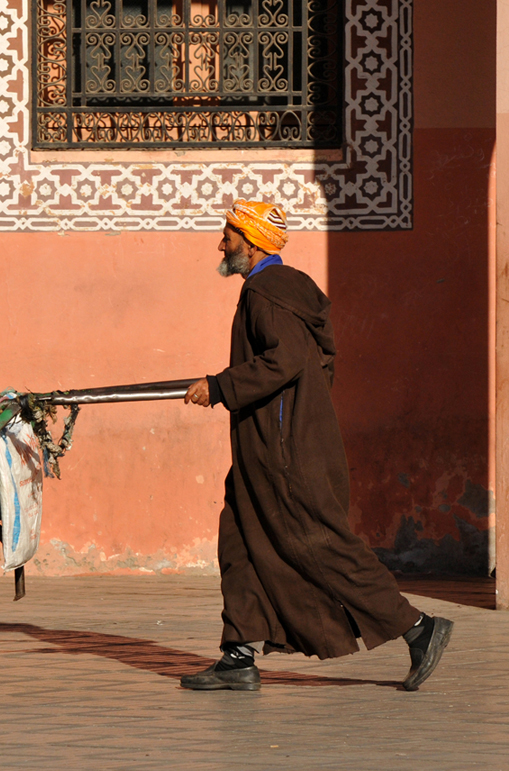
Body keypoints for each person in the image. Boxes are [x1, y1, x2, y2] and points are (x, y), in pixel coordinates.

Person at [180, 200, 453, 692]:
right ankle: (238, 656)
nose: (221, 243)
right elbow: (319, 363)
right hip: (268, 446)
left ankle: (417, 628)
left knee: (321, 545)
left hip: (284, 453)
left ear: (254, 241)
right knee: (240, 536)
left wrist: (219, 387)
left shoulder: (267, 295)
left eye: (229, 234)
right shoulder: (282, 292)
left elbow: (284, 361)